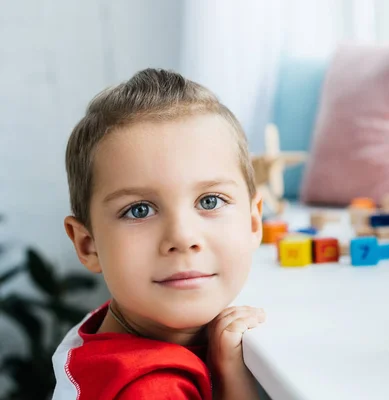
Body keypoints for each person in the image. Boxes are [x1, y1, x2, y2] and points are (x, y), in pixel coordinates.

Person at [51, 68, 266, 399]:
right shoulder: (149, 389)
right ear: (88, 244)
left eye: (210, 201)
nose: (182, 237)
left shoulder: (103, 330)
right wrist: (235, 385)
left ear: (253, 222)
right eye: (139, 210)